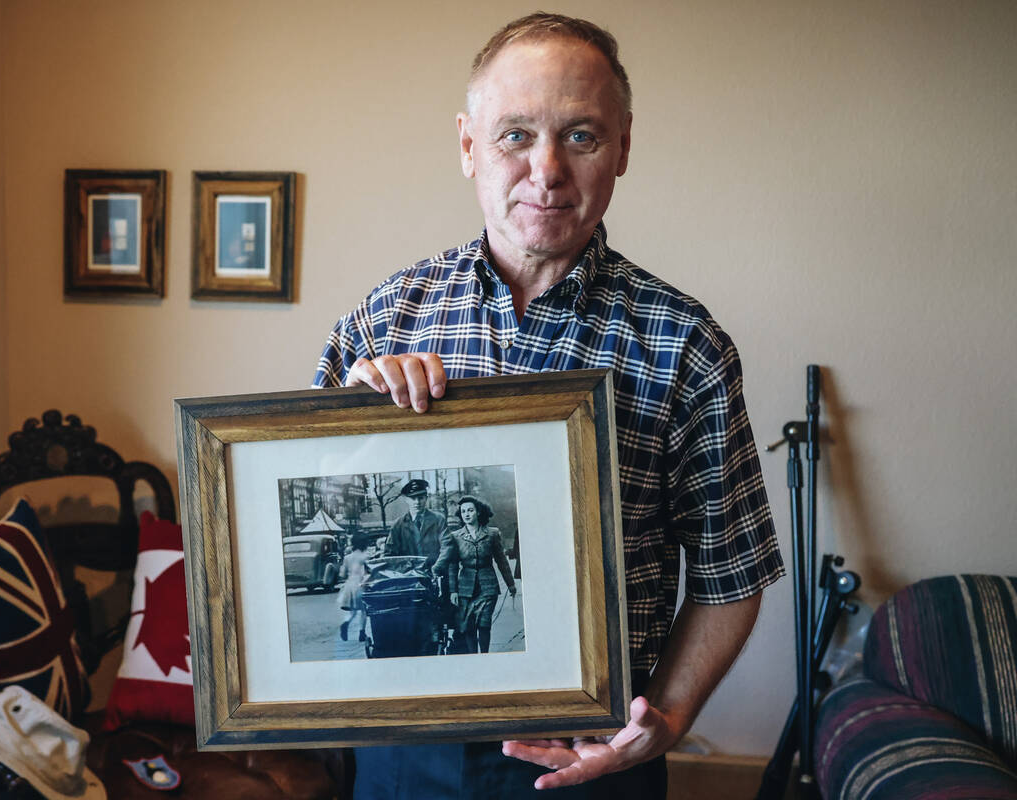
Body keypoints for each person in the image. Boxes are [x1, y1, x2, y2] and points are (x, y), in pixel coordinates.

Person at [312, 12, 784, 799]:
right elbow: (306, 501)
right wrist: (349, 435)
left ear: (623, 146)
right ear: (468, 146)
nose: (548, 169)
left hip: (592, 764)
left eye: (582, 136)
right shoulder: (383, 319)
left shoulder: (686, 345)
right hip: (403, 757)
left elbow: (731, 576)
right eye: (515, 135)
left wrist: (662, 720)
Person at [436, 495, 517, 654]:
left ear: (478, 512)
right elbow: (453, 565)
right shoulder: (456, 536)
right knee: (469, 626)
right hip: (465, 587)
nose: (466, 514)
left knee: (484, 624)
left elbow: (501, 561)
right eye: (463, 511)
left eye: (470, 510)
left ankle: (485, 654)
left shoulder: (492, 534)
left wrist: (511, 584)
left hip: (488, 587)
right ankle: (474, 656)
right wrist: (453, 591)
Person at [382, 478, 450, 571]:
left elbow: (447, 547)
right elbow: (389, 556)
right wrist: (407, 571)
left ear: (426, 498)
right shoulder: (398, 525)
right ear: (406, 499)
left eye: (421, 498)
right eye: (413, 498)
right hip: (409, 578)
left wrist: (437, 567)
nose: (417, 502)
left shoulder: (439, 520)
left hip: (436, 574)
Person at [337, 534, 372, 643]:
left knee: (352, 611)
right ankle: (362, 633)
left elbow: (342, 574)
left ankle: (345, 623)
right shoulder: (366, 557)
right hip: (362, 584)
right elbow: (370, 572)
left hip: (349, 585)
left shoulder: (347, 557)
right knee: (364, 611)